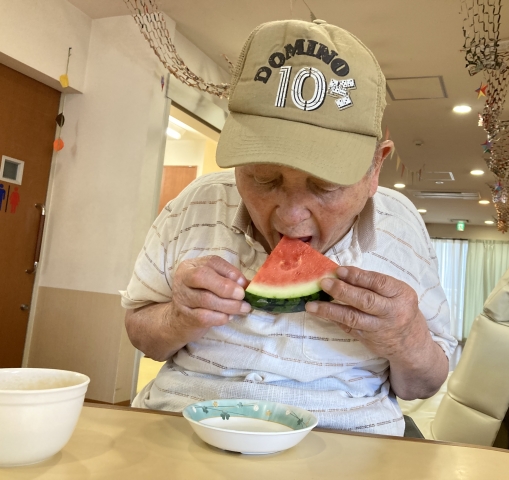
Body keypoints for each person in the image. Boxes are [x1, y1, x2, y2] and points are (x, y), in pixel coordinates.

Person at [121, 18, 456, 436]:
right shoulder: (197, 201)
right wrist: (177, 317)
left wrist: (406, 338)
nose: (290, 217)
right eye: (263, 178)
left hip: (346, 444)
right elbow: (142, 334)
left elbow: (424, 385)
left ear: (375, 167)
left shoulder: (401, 225)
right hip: (188, 426)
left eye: (325, 185)